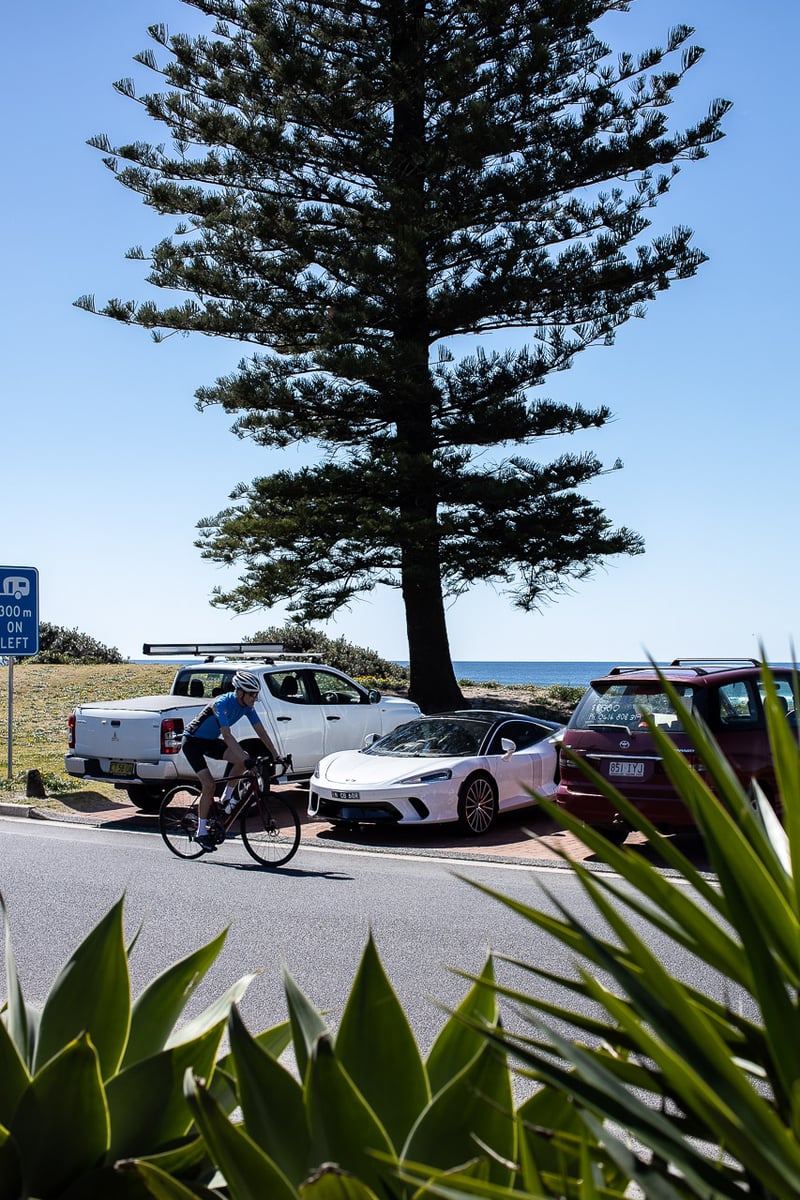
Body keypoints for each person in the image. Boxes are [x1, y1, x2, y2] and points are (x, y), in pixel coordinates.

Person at [181, 669, 286, 852]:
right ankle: (200, 832)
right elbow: (227, 736)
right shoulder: (222, 703)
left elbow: (261, 732)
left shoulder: (247, 707)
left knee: (240, 759)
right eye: (252, 694)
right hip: (192, 742)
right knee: (209, 784)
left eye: (256, 694)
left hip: (210, 741)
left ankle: (226, 798)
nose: (254, 698)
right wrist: (246, 760)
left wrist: (276, 755)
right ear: (240, 692)